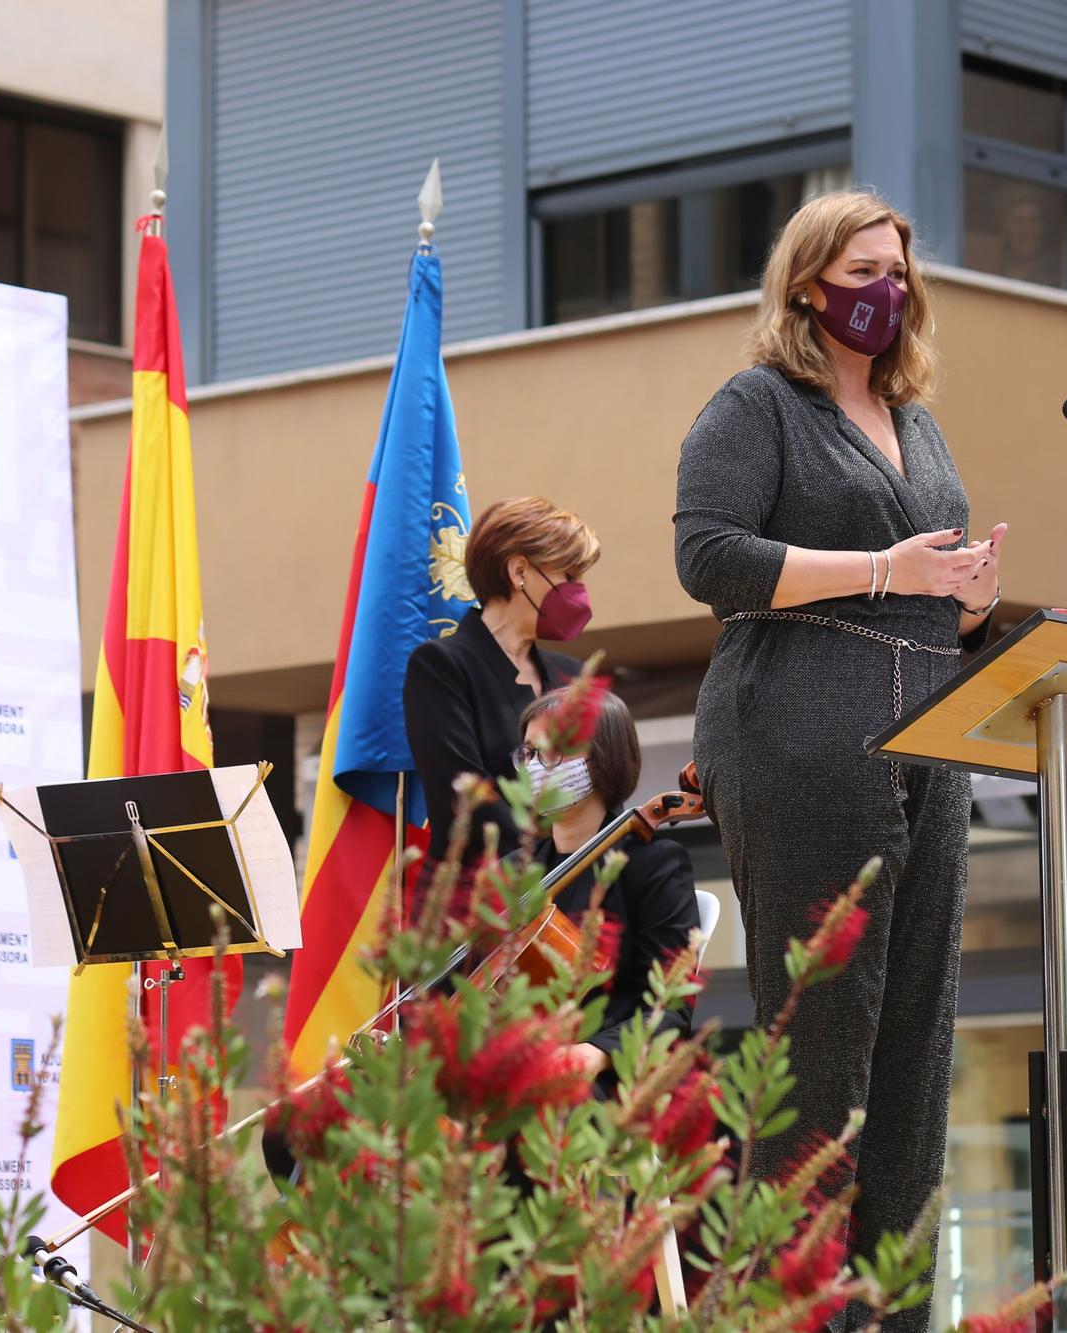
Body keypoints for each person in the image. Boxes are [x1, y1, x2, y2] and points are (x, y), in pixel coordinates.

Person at [673, 189, 1007, 1330]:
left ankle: (896, 1314)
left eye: (899, 271)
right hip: (798, 740)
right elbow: (707, 556)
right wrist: (884, 572)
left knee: (914, 1048)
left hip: (926, 740)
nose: (887, 291)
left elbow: (929, 576)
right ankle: (801, 1311)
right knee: (822, 1045)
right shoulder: (757, 403)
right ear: (807, 283)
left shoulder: (915, 418)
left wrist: (967, 599)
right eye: (862, 269)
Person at [403, 496, 600, 900]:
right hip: (476, 906)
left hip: (569, 891)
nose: (579, 592)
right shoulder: (440, 666)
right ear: (519, 571)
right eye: (569, 574)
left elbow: (600, 788)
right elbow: (465, 799)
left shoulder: (572, 675)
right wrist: (553, 863)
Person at [517, 688, 699, 1086]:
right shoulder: (515, 871)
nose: (535, 767)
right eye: (529, 753)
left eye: (554, 751)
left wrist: (595, 1052)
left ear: (602, 759)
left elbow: (671, 1007)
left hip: (600, 1082)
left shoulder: (654, 866)